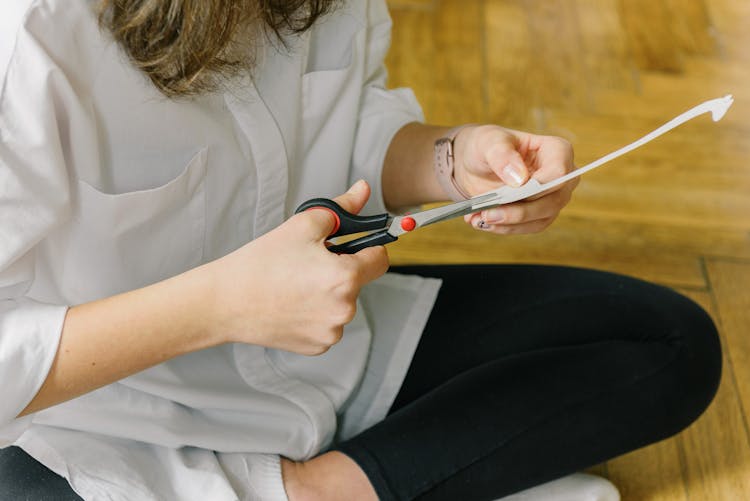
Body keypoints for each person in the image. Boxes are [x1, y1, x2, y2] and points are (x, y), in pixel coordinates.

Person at [0, 0, 721, 500]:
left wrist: (452, 157)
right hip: (105, 422)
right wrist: (219, 308)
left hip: (321, 357)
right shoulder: (29, 36)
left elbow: (342, 130)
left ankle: (330, 487)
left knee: (665, 341)